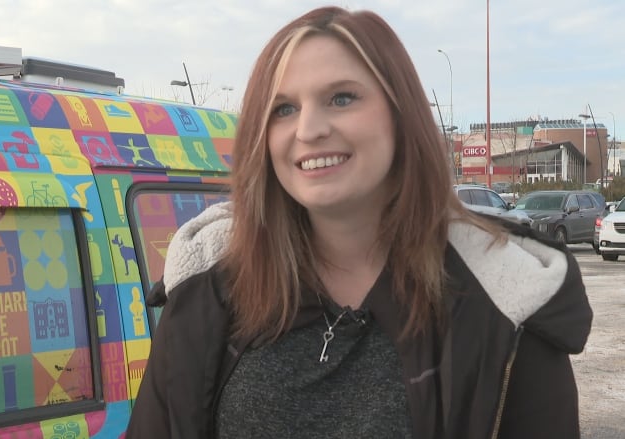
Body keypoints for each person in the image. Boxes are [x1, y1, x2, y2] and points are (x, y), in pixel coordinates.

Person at [126, 6, 592, 439]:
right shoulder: (208, 289)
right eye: (284, 108)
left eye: (341, 98)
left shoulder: (503, 301)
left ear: (400, 114)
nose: (309, 130)